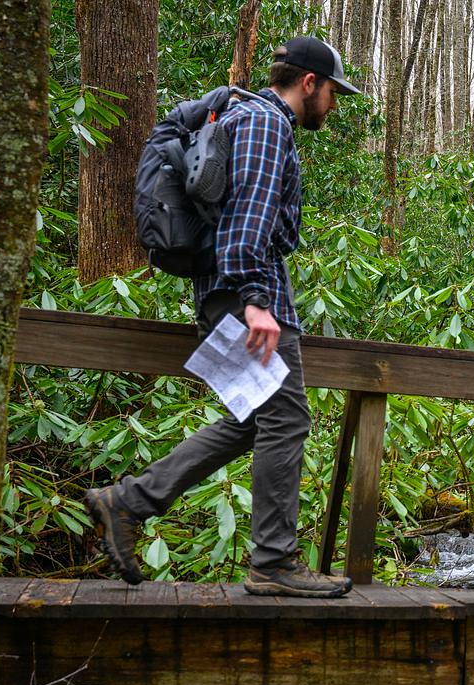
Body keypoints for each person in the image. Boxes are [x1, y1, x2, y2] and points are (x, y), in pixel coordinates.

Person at [85, 36, 361, 598]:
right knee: (285, 421)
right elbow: (246, 224)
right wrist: (257, 301)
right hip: (246, 298)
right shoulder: (266, 124)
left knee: (254, 422)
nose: (333, 104)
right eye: (333, 91)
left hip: (224, 294)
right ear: (309, 83)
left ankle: (128, 502)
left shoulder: (245, 117)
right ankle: (274, 563)